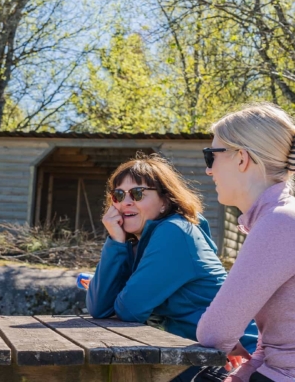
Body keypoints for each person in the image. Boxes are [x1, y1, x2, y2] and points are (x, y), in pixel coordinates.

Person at [86, 154, 258, 382]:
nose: (125, 202)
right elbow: (99, 308)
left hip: (237, 357)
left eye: (137, 194)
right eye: (118, 195)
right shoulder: (137, 242)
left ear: (165, 201)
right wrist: (115, 241)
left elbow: (128, 310)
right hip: (196, 353)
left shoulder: (175, 232)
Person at [197, 103, 295, 382]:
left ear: (241, 158)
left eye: (211, 156)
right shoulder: (280, 218)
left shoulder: (279, 223)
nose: (209, 170)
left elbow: (215, 332)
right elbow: (280, 341)